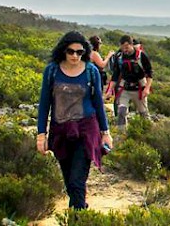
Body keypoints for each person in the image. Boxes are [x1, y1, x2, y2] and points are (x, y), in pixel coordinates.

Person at [37, 31, 112, 209]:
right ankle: (80, 208)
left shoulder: (91, 71)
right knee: (69, 180)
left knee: (77, 181)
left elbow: (98, 103)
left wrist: (105, 132)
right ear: (63, 50)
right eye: (71, 51)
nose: (75, 56)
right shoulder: (52, 71)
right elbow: (44, 103)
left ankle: (77, 218)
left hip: (86, 130)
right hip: (60, 131)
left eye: (79, 52)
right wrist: (41, 134)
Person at [105, 35, 153, 129]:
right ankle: (121, 134)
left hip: (139, 88)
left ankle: (148, 132)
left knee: (143, 113)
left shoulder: (141, 56)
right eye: (122, 48)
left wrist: (147, 88)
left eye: (126, 47)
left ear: (132, 45)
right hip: (125, 88)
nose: (125, 50)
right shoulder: (119, 57)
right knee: (121, 112)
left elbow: (149, 73)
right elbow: (115, 75)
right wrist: (110, 90)